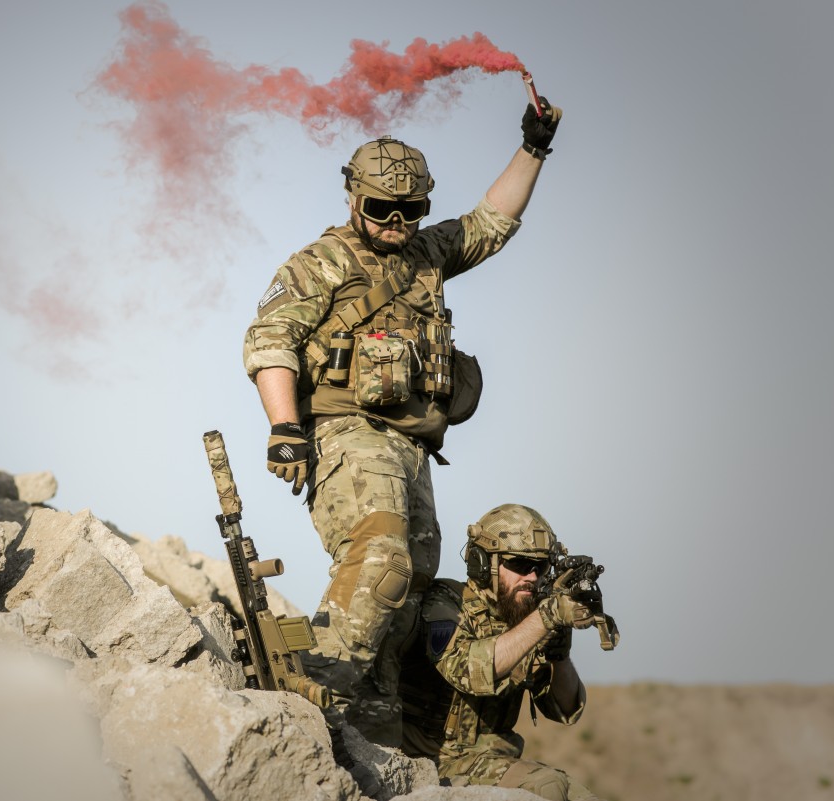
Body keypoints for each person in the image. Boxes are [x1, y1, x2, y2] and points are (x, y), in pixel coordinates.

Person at [241, 98, 563, 739]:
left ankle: (371, 722)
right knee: (380, 558)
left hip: (413, 450)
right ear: (352, 199)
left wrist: (534, 146)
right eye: (380, 208)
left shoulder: (426, 254)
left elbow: (491, 222)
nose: (395, 221)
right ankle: (312, 688)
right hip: (346, 436)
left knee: (409, 595)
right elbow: (270, 341)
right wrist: (283, 428)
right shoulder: (320, 263)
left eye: (410, 210)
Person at [397, 503, 600, 800]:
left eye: (540, 567)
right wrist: (547, 618)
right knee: (548, 787)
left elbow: (564, 710)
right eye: (519, 564)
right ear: (482, 563)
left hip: (496, 760)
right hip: (436, 760)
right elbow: (468, 670)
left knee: (579, 795)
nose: (531, 577)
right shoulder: (446, 604)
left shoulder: (526, 618)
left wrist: (559, 654)